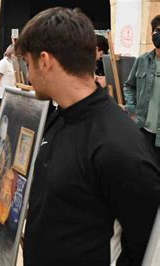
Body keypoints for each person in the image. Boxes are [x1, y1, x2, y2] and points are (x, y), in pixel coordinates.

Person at [14, 7, 160, 265]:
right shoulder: (60, 116)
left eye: (28, 63)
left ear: (45, 61)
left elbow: (143, 246)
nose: (28, 74)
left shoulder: (117, 146)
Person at [124, 15, 160, 164]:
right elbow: (129, 85)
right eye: (157, 30)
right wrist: (132, 110)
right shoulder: (143, 60)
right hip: (143, 130)